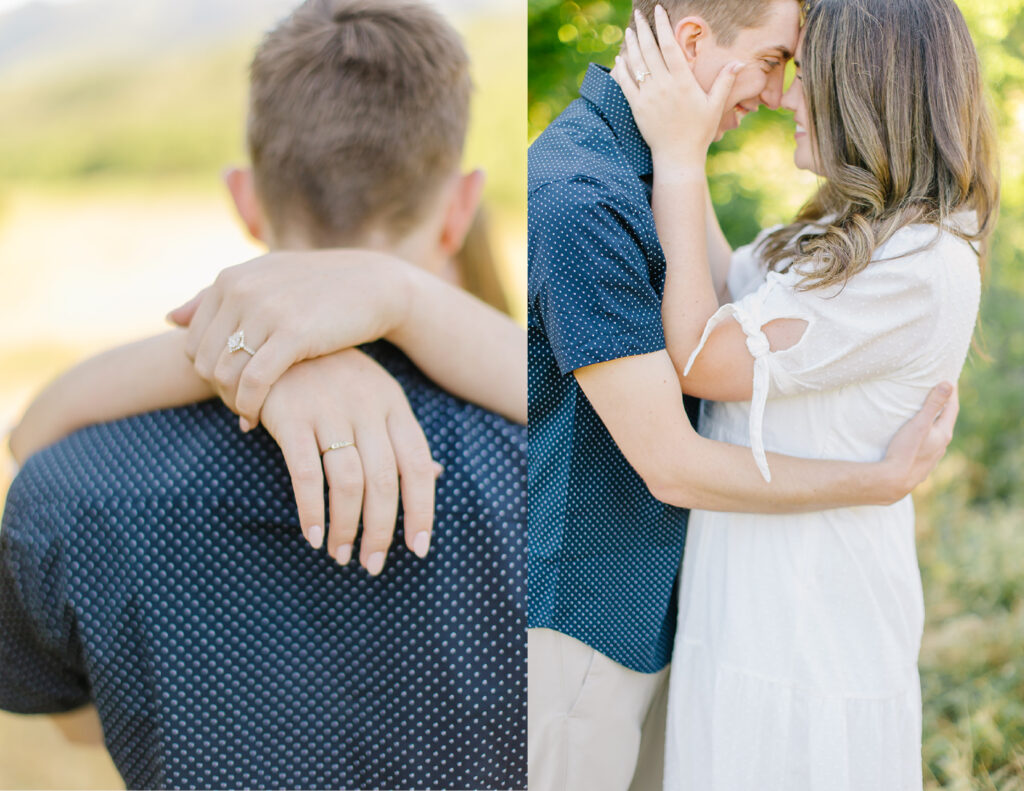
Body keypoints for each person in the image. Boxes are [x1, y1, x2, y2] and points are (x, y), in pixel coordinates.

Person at [0, 0, 525, 788]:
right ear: (461, 208)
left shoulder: (72, 486)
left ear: (245, 200)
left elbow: (76, 726)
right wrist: (378, 311)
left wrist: (234, 353)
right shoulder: (550, 466)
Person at [526, 0, 963, 788]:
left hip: (708, 616)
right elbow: (679, 441)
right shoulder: (582, 195)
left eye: (797, 71)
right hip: (587, 620)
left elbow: (721, 316)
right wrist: (876, 481)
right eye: (772, 61)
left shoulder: (649, 172)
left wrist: (680, 152)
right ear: (694, 41)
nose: (780, 92)